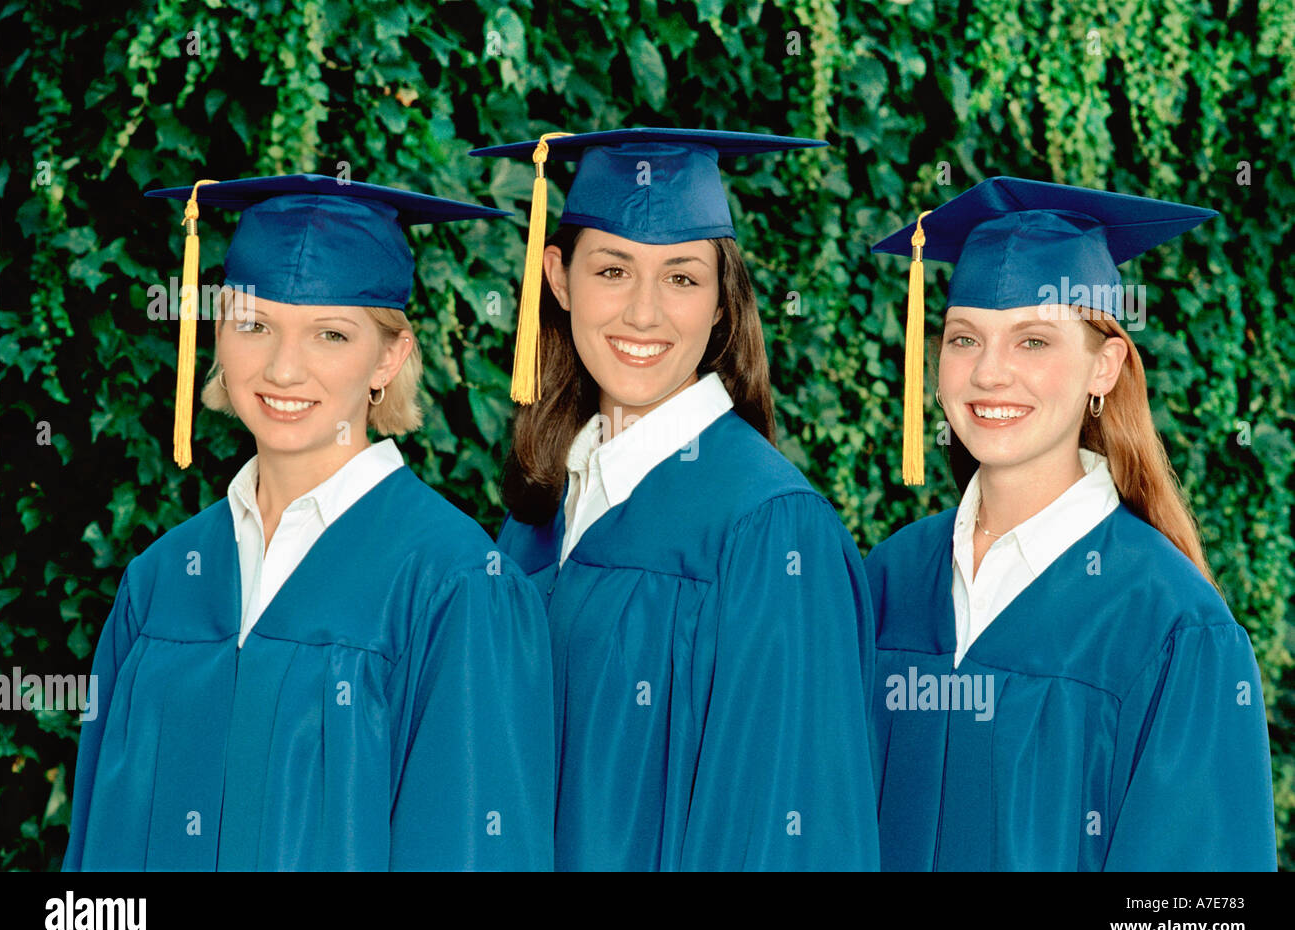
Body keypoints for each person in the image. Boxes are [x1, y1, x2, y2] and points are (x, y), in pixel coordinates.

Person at [65, 174, 555, 870]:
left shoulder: (456, 586)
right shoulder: (162, 580)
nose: (283, 367)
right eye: (254, 324)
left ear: (389, 356)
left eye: (330, 333)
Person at [470, 128, 880, 871]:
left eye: (683, 278)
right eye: (614, 270)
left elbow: (789, 833)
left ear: (723, 302)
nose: (644, 314)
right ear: (559, 279)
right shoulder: (537, 514)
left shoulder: (770, 529)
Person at [865, 176, 1277, 870]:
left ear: (1105, 365)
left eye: (1033, 341)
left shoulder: (1171, 623)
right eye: (965, 338)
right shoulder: (890, 578)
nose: (990, 373)